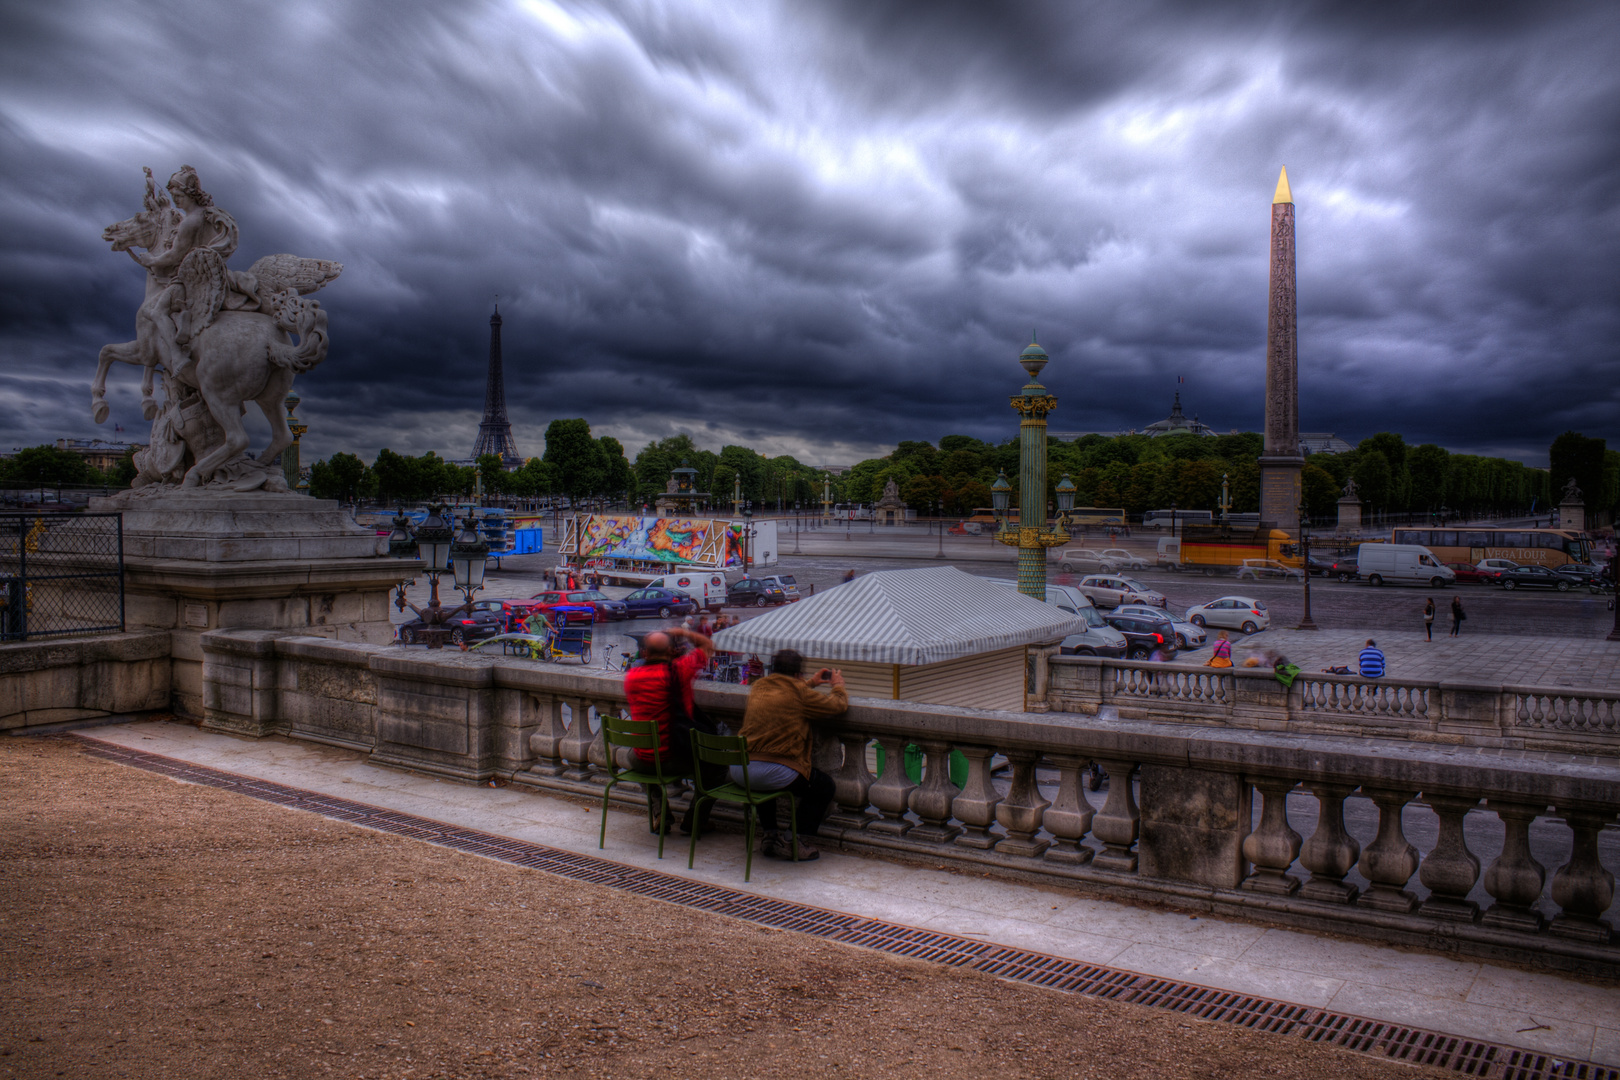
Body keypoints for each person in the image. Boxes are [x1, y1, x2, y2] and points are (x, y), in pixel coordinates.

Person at [729, 650, 848, 861]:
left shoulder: (759, 687)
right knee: (823, 786)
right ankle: (794, 841)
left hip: (740, 768)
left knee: (765, 780)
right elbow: (837, 706)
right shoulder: (800, 694)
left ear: (773, 670)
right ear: (797, 674)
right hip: (769, 770)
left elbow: (788, 693)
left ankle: (770, 835)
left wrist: (811, 682)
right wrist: (837, 686)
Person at [622, 627, 723, 834]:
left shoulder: (632, 677)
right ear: (671, 652)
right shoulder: (680, 670)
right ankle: (695, 819)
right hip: (674, 756)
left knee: (632, 756)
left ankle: (660, 811)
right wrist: (682, 632)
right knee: (718, 769)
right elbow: (708, 645)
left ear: (645, 653)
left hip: (644, 759)